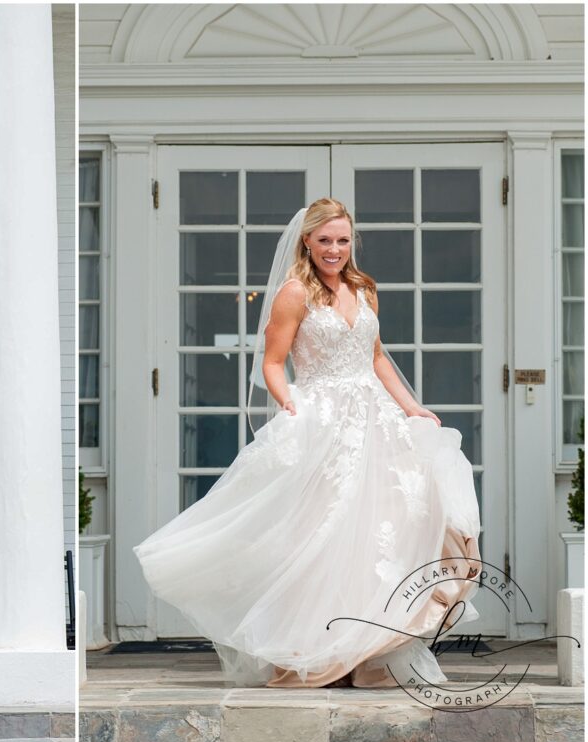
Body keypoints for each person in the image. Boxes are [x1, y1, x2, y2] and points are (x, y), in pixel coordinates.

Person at [134, 198, 482, 688]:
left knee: (381, 531)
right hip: (325, 420)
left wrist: (412, 407)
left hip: (375, 421)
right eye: (325, 241)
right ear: (308, 242)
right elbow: (273, 362)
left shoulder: (363, 289)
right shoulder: (295, 294)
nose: (334, 250)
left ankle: (368, 652)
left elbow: (376, 355)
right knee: (324, 535)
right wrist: (292, 406)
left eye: (343, 240)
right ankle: (314, 649)